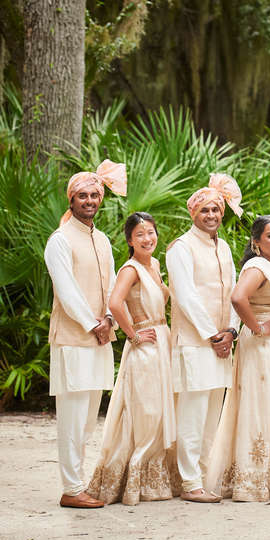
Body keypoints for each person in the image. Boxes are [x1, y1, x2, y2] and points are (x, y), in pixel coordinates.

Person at [204, 215, 270, 501]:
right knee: (262, 406)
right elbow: (238, 298)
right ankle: (253, 478)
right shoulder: (257, 267)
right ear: (257, 242)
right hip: (265, 346)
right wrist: (257, 327)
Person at [44, 159, 127, 508]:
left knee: (90, 416)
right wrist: (93, 323)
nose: (89, 200)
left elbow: (110, 285)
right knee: (73, 417)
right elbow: (67, 292)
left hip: (100, 337)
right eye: (82, 195)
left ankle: (78, 484)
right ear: (71, 200)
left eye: (95, 195)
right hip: (73, 340)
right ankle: (70, 488)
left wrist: (109, 317)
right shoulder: (60, 240)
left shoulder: (103, 239)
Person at [87, 212, 181, 505]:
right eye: (140, 234)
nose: (147, 238)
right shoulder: (130, 269)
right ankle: (133, 477)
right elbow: (114, 303)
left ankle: (158, 478)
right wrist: (134, 335)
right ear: (130, 240)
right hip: (145, 344)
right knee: (147, 411)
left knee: (163, 411)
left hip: (163, 340)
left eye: (151, 232)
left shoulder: (153, 264)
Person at [166, 173, 243, 503]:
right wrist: (213, 335)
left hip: (222, 343)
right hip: (196, 343)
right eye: (204, 210)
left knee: (213, 413)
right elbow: (185, 296)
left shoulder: (223, 247)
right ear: (192, 213)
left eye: (216, 209)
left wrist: (231, 331)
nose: (211, 215)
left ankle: (204, 476)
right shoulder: (180, 248)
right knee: (193, 413)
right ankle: (189, 482)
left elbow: (234, 293)